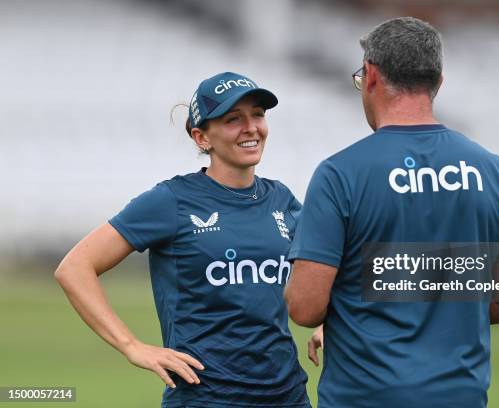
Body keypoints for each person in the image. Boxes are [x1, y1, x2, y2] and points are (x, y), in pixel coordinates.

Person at [284, 17, 499, 408]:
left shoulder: (340, 174)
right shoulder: (492, 169)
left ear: (370, 76)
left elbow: (304, 306)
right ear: (438, 81)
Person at [55, 72, 310, 408]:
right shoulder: (171, 200)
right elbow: (74, 267)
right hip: (205, 397)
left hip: (287, 396)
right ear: (201, 137)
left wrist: (331, 319)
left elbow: (332, 263)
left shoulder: (282, 199)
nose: (251, 127)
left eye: (258, 115)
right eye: (234, 119)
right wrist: (132, 346)